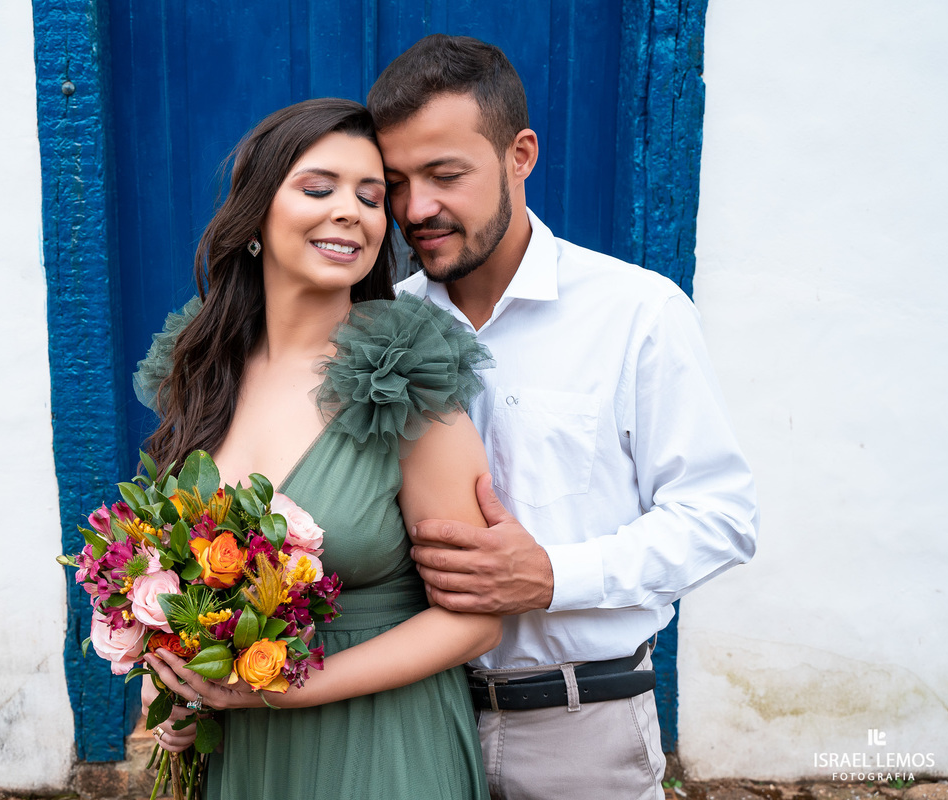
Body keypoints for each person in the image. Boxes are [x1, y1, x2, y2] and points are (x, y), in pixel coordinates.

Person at [366, 35, 759, 800]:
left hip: (583, 730)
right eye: (396, 183)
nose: (416, 209)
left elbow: (721, 519)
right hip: (412, 729)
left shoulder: (637, 313)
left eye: (445, 175)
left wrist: (552, 575)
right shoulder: (378, 331)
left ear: (520, 155)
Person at [134, 97, 501, 799]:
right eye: (318, 188)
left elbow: (477, 622)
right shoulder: (205, 371)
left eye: (370, 197)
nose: (351, 211)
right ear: (255, 217)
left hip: (384, 750)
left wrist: (283, 689)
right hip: (247, 755)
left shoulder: (402, 376)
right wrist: (178, 684)